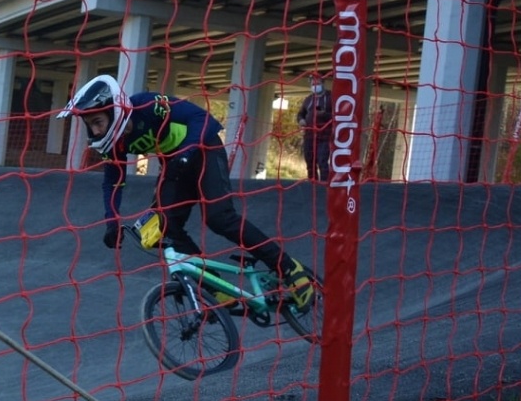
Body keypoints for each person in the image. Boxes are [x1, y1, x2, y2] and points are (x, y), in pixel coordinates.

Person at [58, 74, 314, 310]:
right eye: (90, 126)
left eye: (97, 123)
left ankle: (290, 269)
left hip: (204, 148)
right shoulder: (114, 144)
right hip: (174, 163)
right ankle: (214, 287)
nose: (95, 132)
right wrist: (111, 221)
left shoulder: (148, 105)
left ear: (115, 112)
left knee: (219, 218)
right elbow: (113, 182)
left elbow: (205, 120)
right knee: (162, 227)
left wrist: (188, 151)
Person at [296, 74, 333, 181]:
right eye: (313, 84)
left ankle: (324, 185)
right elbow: (300, 114)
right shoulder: (308, 99)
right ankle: (312, 183)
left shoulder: (331, 97)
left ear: (323, 83)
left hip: (324, 136)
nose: (315, 86)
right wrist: (301, 120)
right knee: (309, 161)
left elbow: (337, 115)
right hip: (309, 136)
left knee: (322, 161)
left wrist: (324, 114)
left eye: (317, 83)